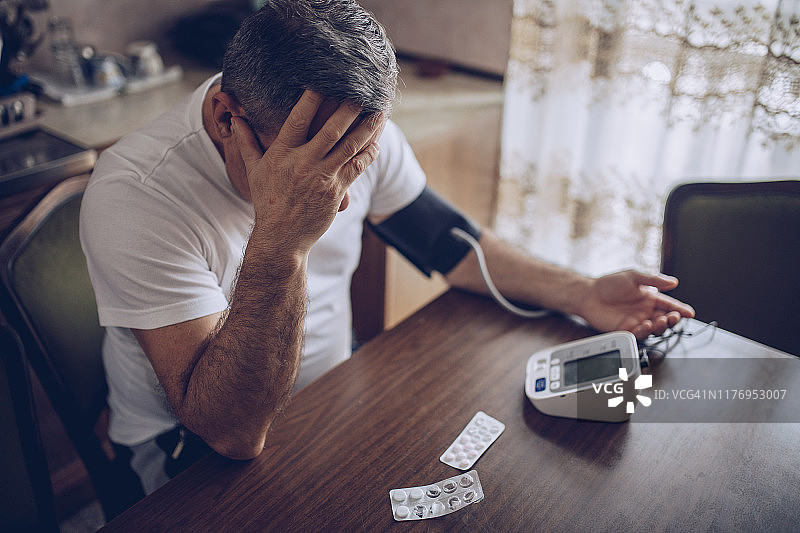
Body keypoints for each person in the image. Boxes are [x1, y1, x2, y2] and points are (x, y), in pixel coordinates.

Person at [80, 0, 694, 496]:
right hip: (190, 452)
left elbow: (451, 246)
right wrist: (283, 241)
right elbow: (231, 432)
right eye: (315, 164)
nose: (339, 191)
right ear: (225, 119)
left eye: (356, 158)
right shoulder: (137, 196)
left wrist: (582, 293)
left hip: (327, 396)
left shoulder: (349, 129)